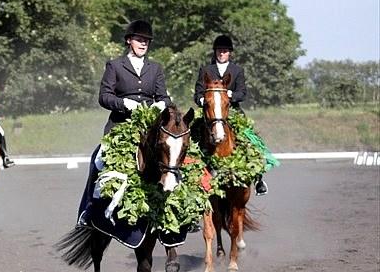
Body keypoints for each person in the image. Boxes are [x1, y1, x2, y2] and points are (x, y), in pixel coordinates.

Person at [77, 19, 171, 225]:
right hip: (120, 126)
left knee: (176, 157)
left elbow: (164, 97)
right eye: (139, 39)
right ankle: (88, 209)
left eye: (146, 40)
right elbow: (104, 96)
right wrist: (123, 103)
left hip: (149, 127)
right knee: (99, 160)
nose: (144, 43)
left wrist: (160, 105)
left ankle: (179, 212)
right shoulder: (115, 66)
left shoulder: (155, 68)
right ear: (129, 40)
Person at [193, 34, 268, 196]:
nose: (222, 53)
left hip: (232, 111)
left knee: (251, 139)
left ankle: (259, 178)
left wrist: (230, 94)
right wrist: (201, 100)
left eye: (225, 51)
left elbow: (243, 93)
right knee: (191, 135)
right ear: (215, 52)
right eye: (219, 50)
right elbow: (198, 92)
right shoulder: (206, 70)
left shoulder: (237, 70)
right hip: (210, 112)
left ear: (229, 53)